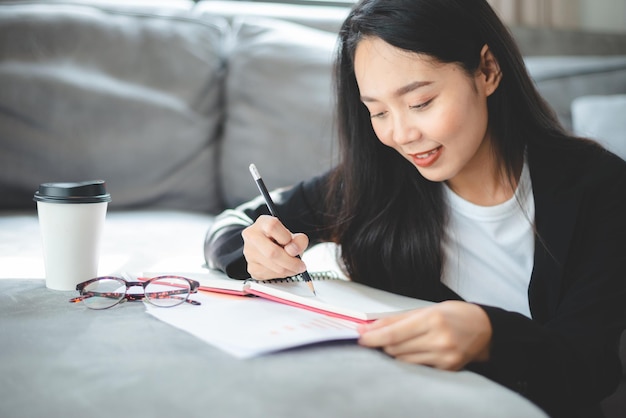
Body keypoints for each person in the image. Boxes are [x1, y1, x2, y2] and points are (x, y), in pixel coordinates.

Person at [204, 0, 626, 416]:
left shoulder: (600, 188)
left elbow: (589, 366)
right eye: (379, 111)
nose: (402, 135)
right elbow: (232, 223)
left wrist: (490, 336)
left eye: (421, 103)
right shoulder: (376, 183)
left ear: (487, 70)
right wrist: (253, 248)